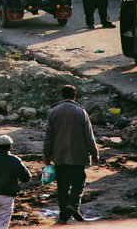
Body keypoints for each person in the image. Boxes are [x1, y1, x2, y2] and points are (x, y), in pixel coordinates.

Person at [43, 85, 99, 224]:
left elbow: (49, 136)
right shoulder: (81, 112)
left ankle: (63, 217)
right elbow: (89, 136)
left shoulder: (54, 111)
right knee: (79, 183)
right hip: (78, 155)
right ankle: (73, 205)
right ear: (74, 96)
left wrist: (47, 155)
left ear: (62, 95)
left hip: (60, 156)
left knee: (62, 186)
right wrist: (95, 153)